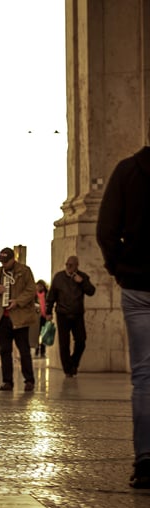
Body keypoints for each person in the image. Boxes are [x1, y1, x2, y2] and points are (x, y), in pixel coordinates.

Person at [96, 122, 150, 489]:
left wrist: (121, 268)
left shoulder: (128, 171)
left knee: (144, 375)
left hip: (137, 285)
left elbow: (105, 230)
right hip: (136, 283)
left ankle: (146, 459)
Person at [0, 247, 38, 392]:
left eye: (6, 261)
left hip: (20, 318)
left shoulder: (24, 271)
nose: (3, 264)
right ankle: (7, 381)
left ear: (12, 259)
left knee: (24, 350)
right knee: (4, 350)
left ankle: (29, 380)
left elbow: (31, 290)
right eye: (1, 261)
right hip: (2, 318)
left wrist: (17, 301)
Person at [46, 257, 96, 376]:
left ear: (77, 266)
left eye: (71, 265)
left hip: (77, 314)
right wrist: (48, 312)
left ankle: (73, 362)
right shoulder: (58, 277)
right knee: (64, 343)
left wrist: (82, 282)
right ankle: (68, 370)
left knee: (81, 341)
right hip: (62, 314)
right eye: (67, 265)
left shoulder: (82, 276)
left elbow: (91, 291)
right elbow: (51, 295)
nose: (69, 267)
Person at [34, 280, 49, 357]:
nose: (39, 287)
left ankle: (43, 352)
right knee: (36, 334)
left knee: (44, 335)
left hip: (44, 317)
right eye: (38, 286)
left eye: (41, 286)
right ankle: (36, 351)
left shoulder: (46, 294)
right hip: (36, 317)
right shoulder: (34, 295)